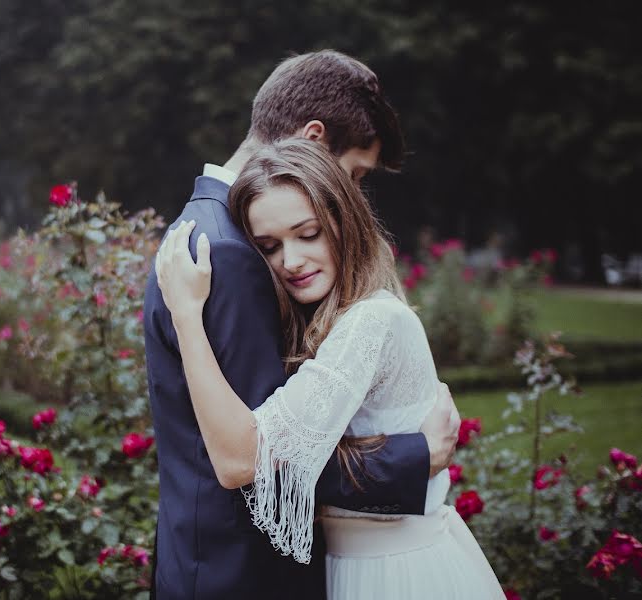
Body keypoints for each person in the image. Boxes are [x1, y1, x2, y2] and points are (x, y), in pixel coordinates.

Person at [143, 50, 460, 599]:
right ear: (313, 140)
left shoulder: (207, 229)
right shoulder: (233, 254)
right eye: (355, 173)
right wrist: (413, 458)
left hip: (206, 559)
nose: (355, 196)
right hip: (242, 573)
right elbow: (262, 452)